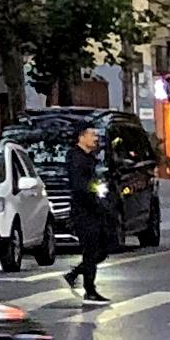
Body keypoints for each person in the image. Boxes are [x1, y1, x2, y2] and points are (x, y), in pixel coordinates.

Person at [64, 125, 118, 301]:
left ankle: (75, 274)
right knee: (91, 250)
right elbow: (81, 187)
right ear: (81, 137)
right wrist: (95, 201)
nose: (96, 138)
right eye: (92, 135)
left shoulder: (90, 158)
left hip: (95, 210)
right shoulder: (76, 158)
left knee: (102, 249)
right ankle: (90, 289)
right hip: (84, 212)